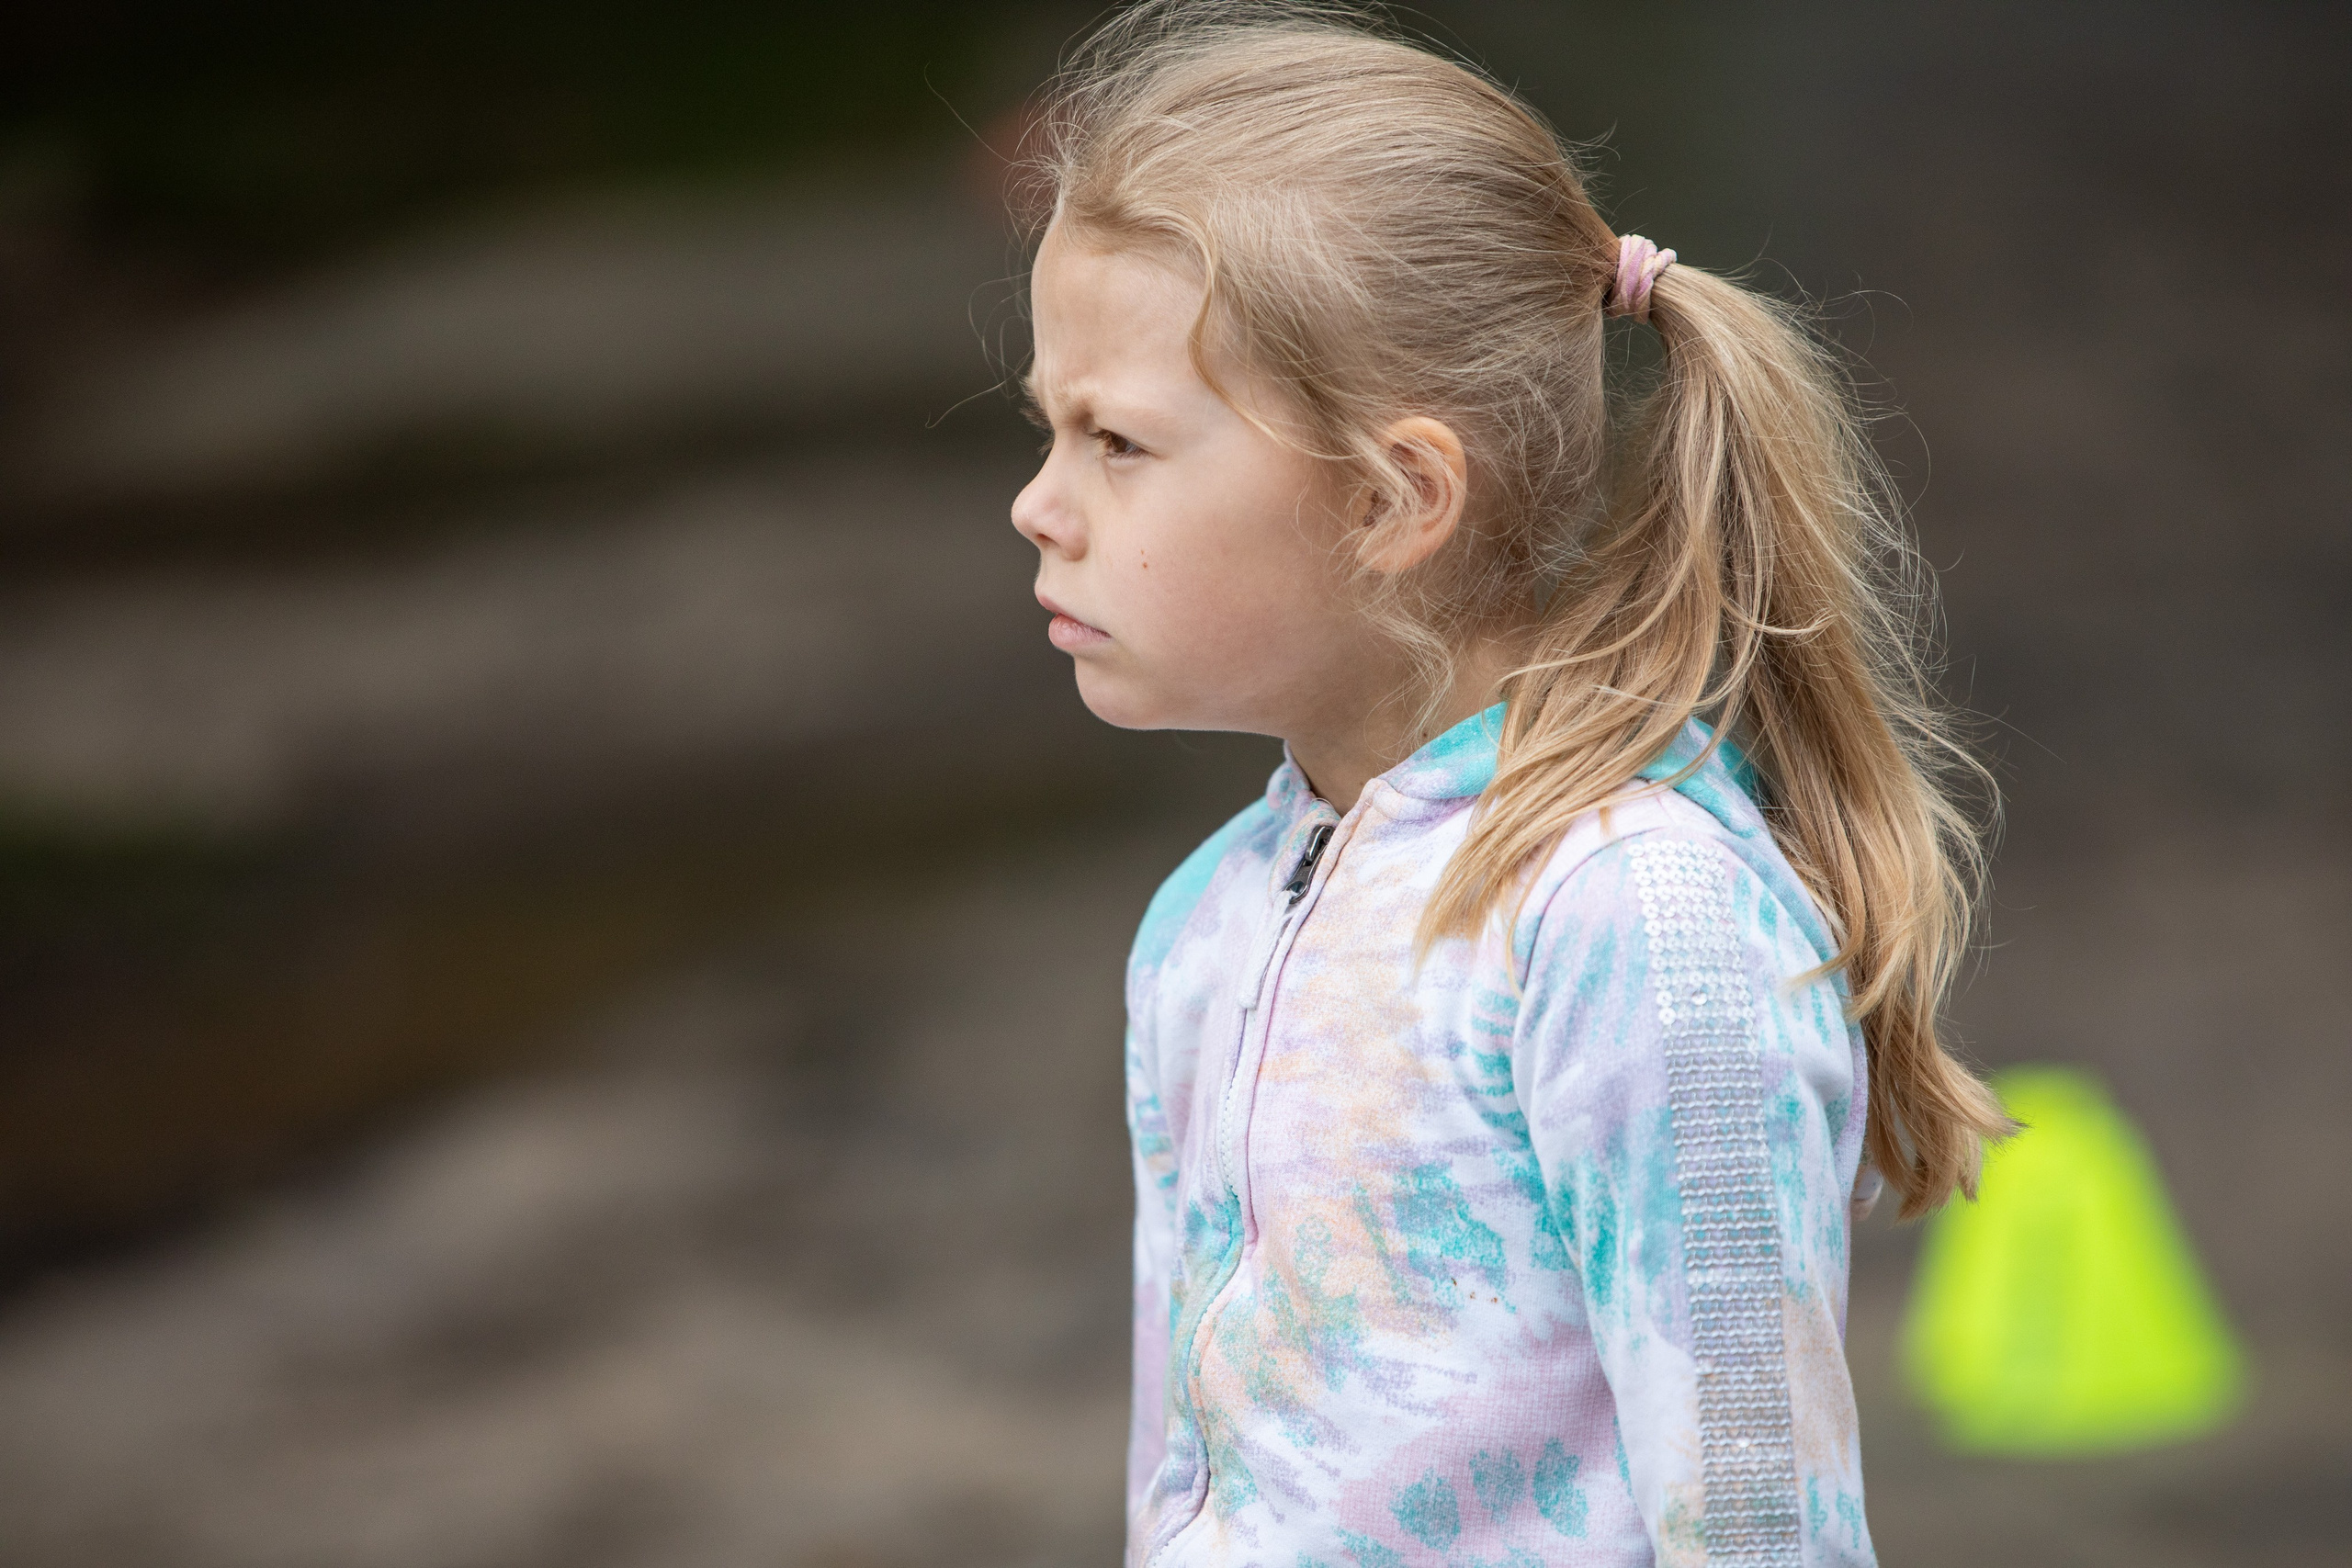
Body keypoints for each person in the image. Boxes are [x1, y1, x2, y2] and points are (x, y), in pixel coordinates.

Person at [1007, 5, 2007, 1564]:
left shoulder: (1630, 923)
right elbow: (1186, 1476)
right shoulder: (1203, 921)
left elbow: (1761, 1519)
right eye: (1048, 432)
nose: (1037, 504)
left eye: (1115, 442)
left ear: (1395, 498)